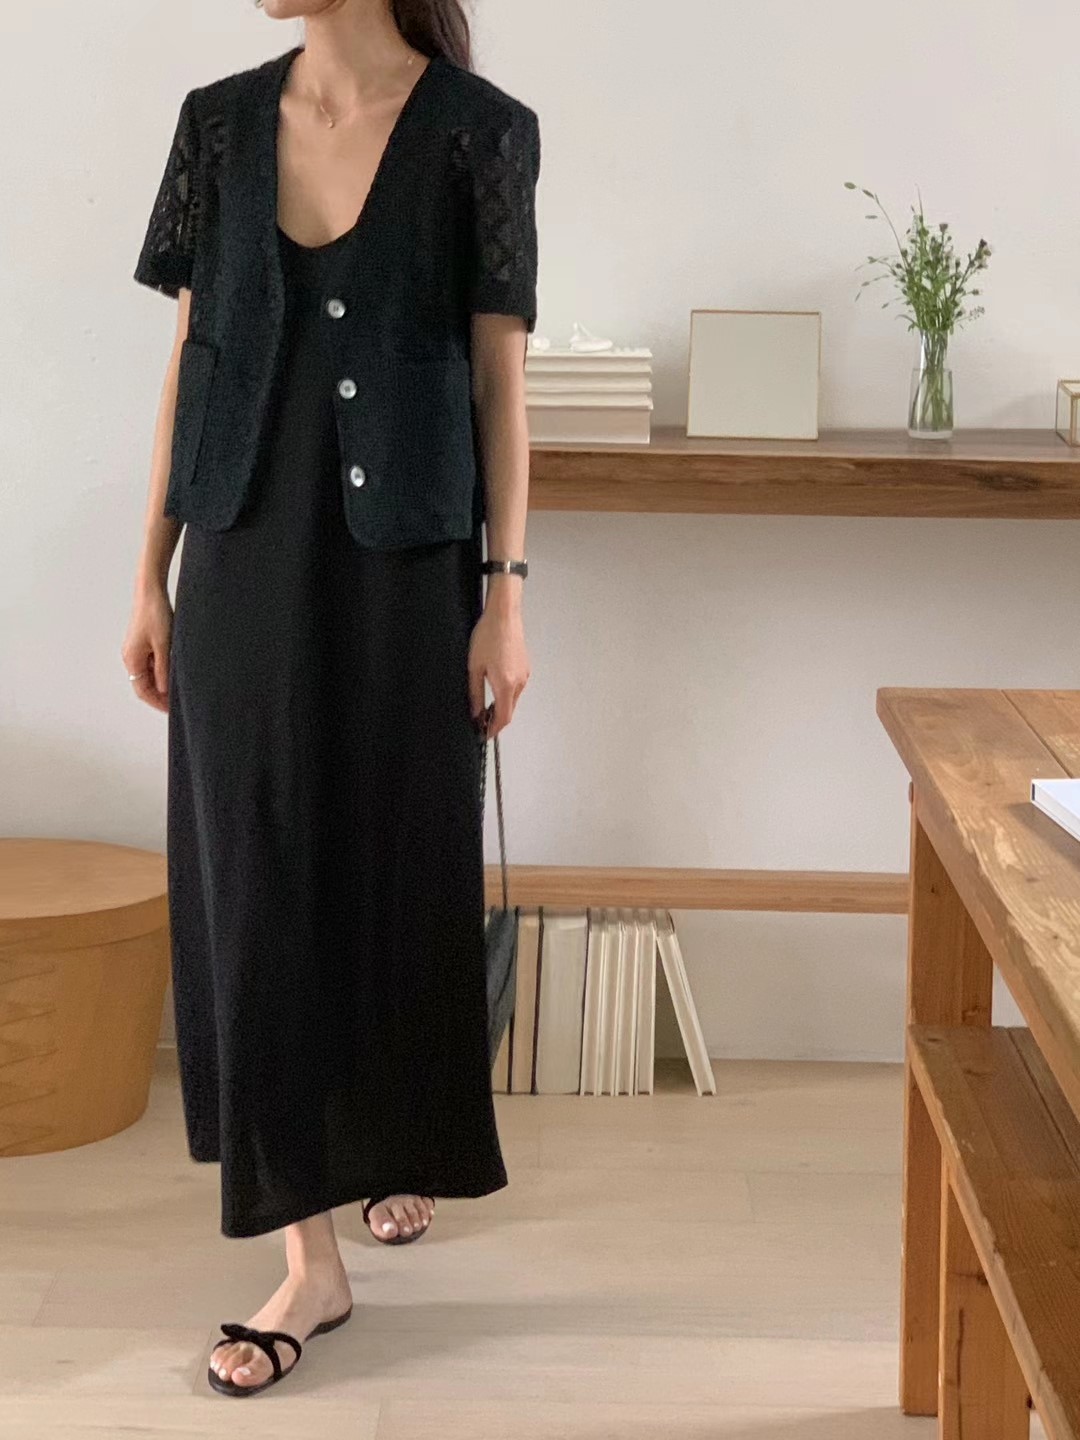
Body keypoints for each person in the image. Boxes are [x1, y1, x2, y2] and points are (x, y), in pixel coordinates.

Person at [121, 0, 540, 1396]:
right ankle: (310, 1257)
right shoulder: (219, 125)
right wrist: (149, 576)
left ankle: (390, 1145)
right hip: (242, 551)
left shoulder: (481, 135)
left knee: (393, 860)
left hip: (407, 561)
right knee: (252, 873)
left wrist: (505, 597)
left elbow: (500, 382)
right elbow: (192, 359)